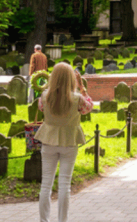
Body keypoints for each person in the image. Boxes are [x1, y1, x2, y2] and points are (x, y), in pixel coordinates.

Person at [37, 63, 94, 222]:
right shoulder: (78, 99)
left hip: (48, 141)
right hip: (69, 142)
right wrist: (82, 89)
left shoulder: (44, 96)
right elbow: (89, 107)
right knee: (64, 186)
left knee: (46, 185)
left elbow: (41, 108)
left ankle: (44, 220)